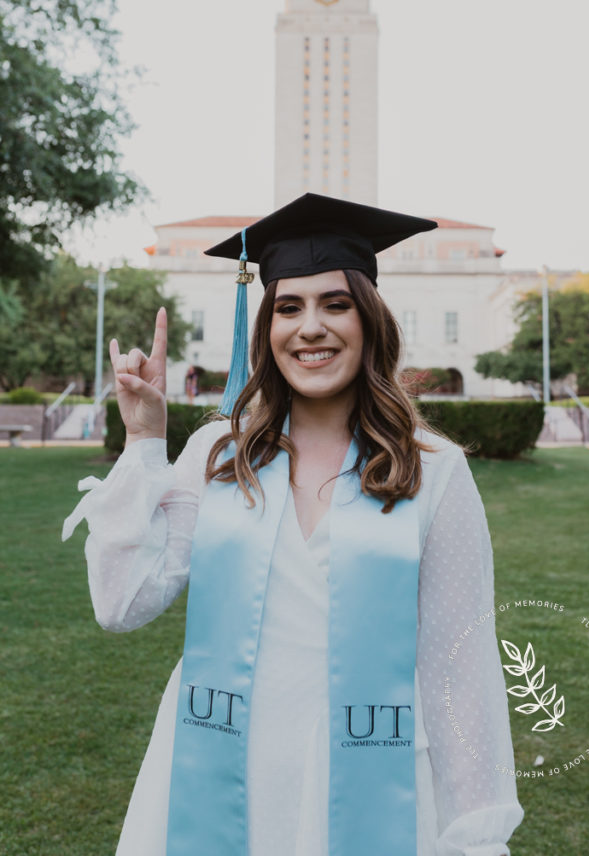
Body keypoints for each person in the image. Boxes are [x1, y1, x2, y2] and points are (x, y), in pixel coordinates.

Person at [63, 194, 524, 856]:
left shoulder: (435, 472)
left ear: (368, 321)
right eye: (288, 307)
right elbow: (121, 603)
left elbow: (461, 670)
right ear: (266, 329)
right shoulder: (219, 455)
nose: (310, 327)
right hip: (214, 762)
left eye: (335, 304)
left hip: (370, 771)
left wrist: (477, 836)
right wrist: (143, 443)